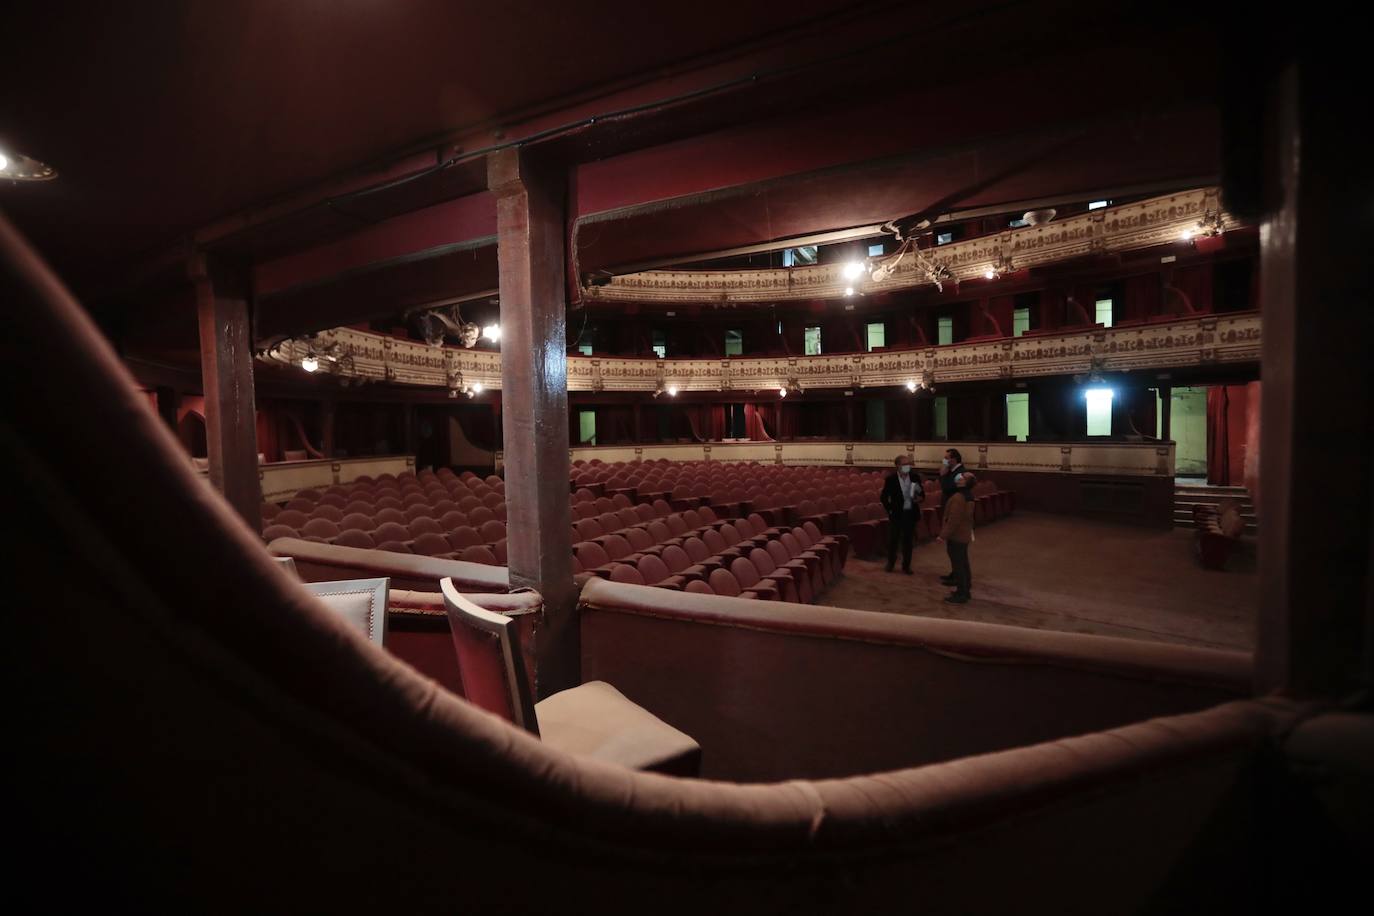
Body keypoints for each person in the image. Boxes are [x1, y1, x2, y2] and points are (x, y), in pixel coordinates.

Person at [880, 453, 921, 574]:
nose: (907, 466)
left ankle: (906, 566)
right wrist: (890, 510)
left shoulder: (914, 477)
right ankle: (890, 563)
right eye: (904, 464)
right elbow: (883, 497)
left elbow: (920, 493)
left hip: (910, 512)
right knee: (893, 540)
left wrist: (920, 498)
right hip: (896, 514)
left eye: (909, 464)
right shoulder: (891, 479)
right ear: (897, 466)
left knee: (908, 541)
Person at [937, 471, 975, 603]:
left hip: (957, 535)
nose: (959, 478)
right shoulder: (968, 495)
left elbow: (954, 519)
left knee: (958, 565)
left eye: (962, 477)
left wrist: (943, 535)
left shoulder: (959, 497)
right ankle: (965, 590)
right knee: (963, 563)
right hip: (963, 534)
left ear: (965, 482)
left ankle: (961, 594)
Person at [938, 448, 967, 586]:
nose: (945, 460)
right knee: (952, 548)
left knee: (955, 549)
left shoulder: (959, 473)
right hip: (951, 508)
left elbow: (947, 487)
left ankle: (958, 578)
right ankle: (955, 573)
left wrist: (943, 474)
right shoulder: (954, 471)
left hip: (954, 510)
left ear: (953, 459)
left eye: (946, 458)